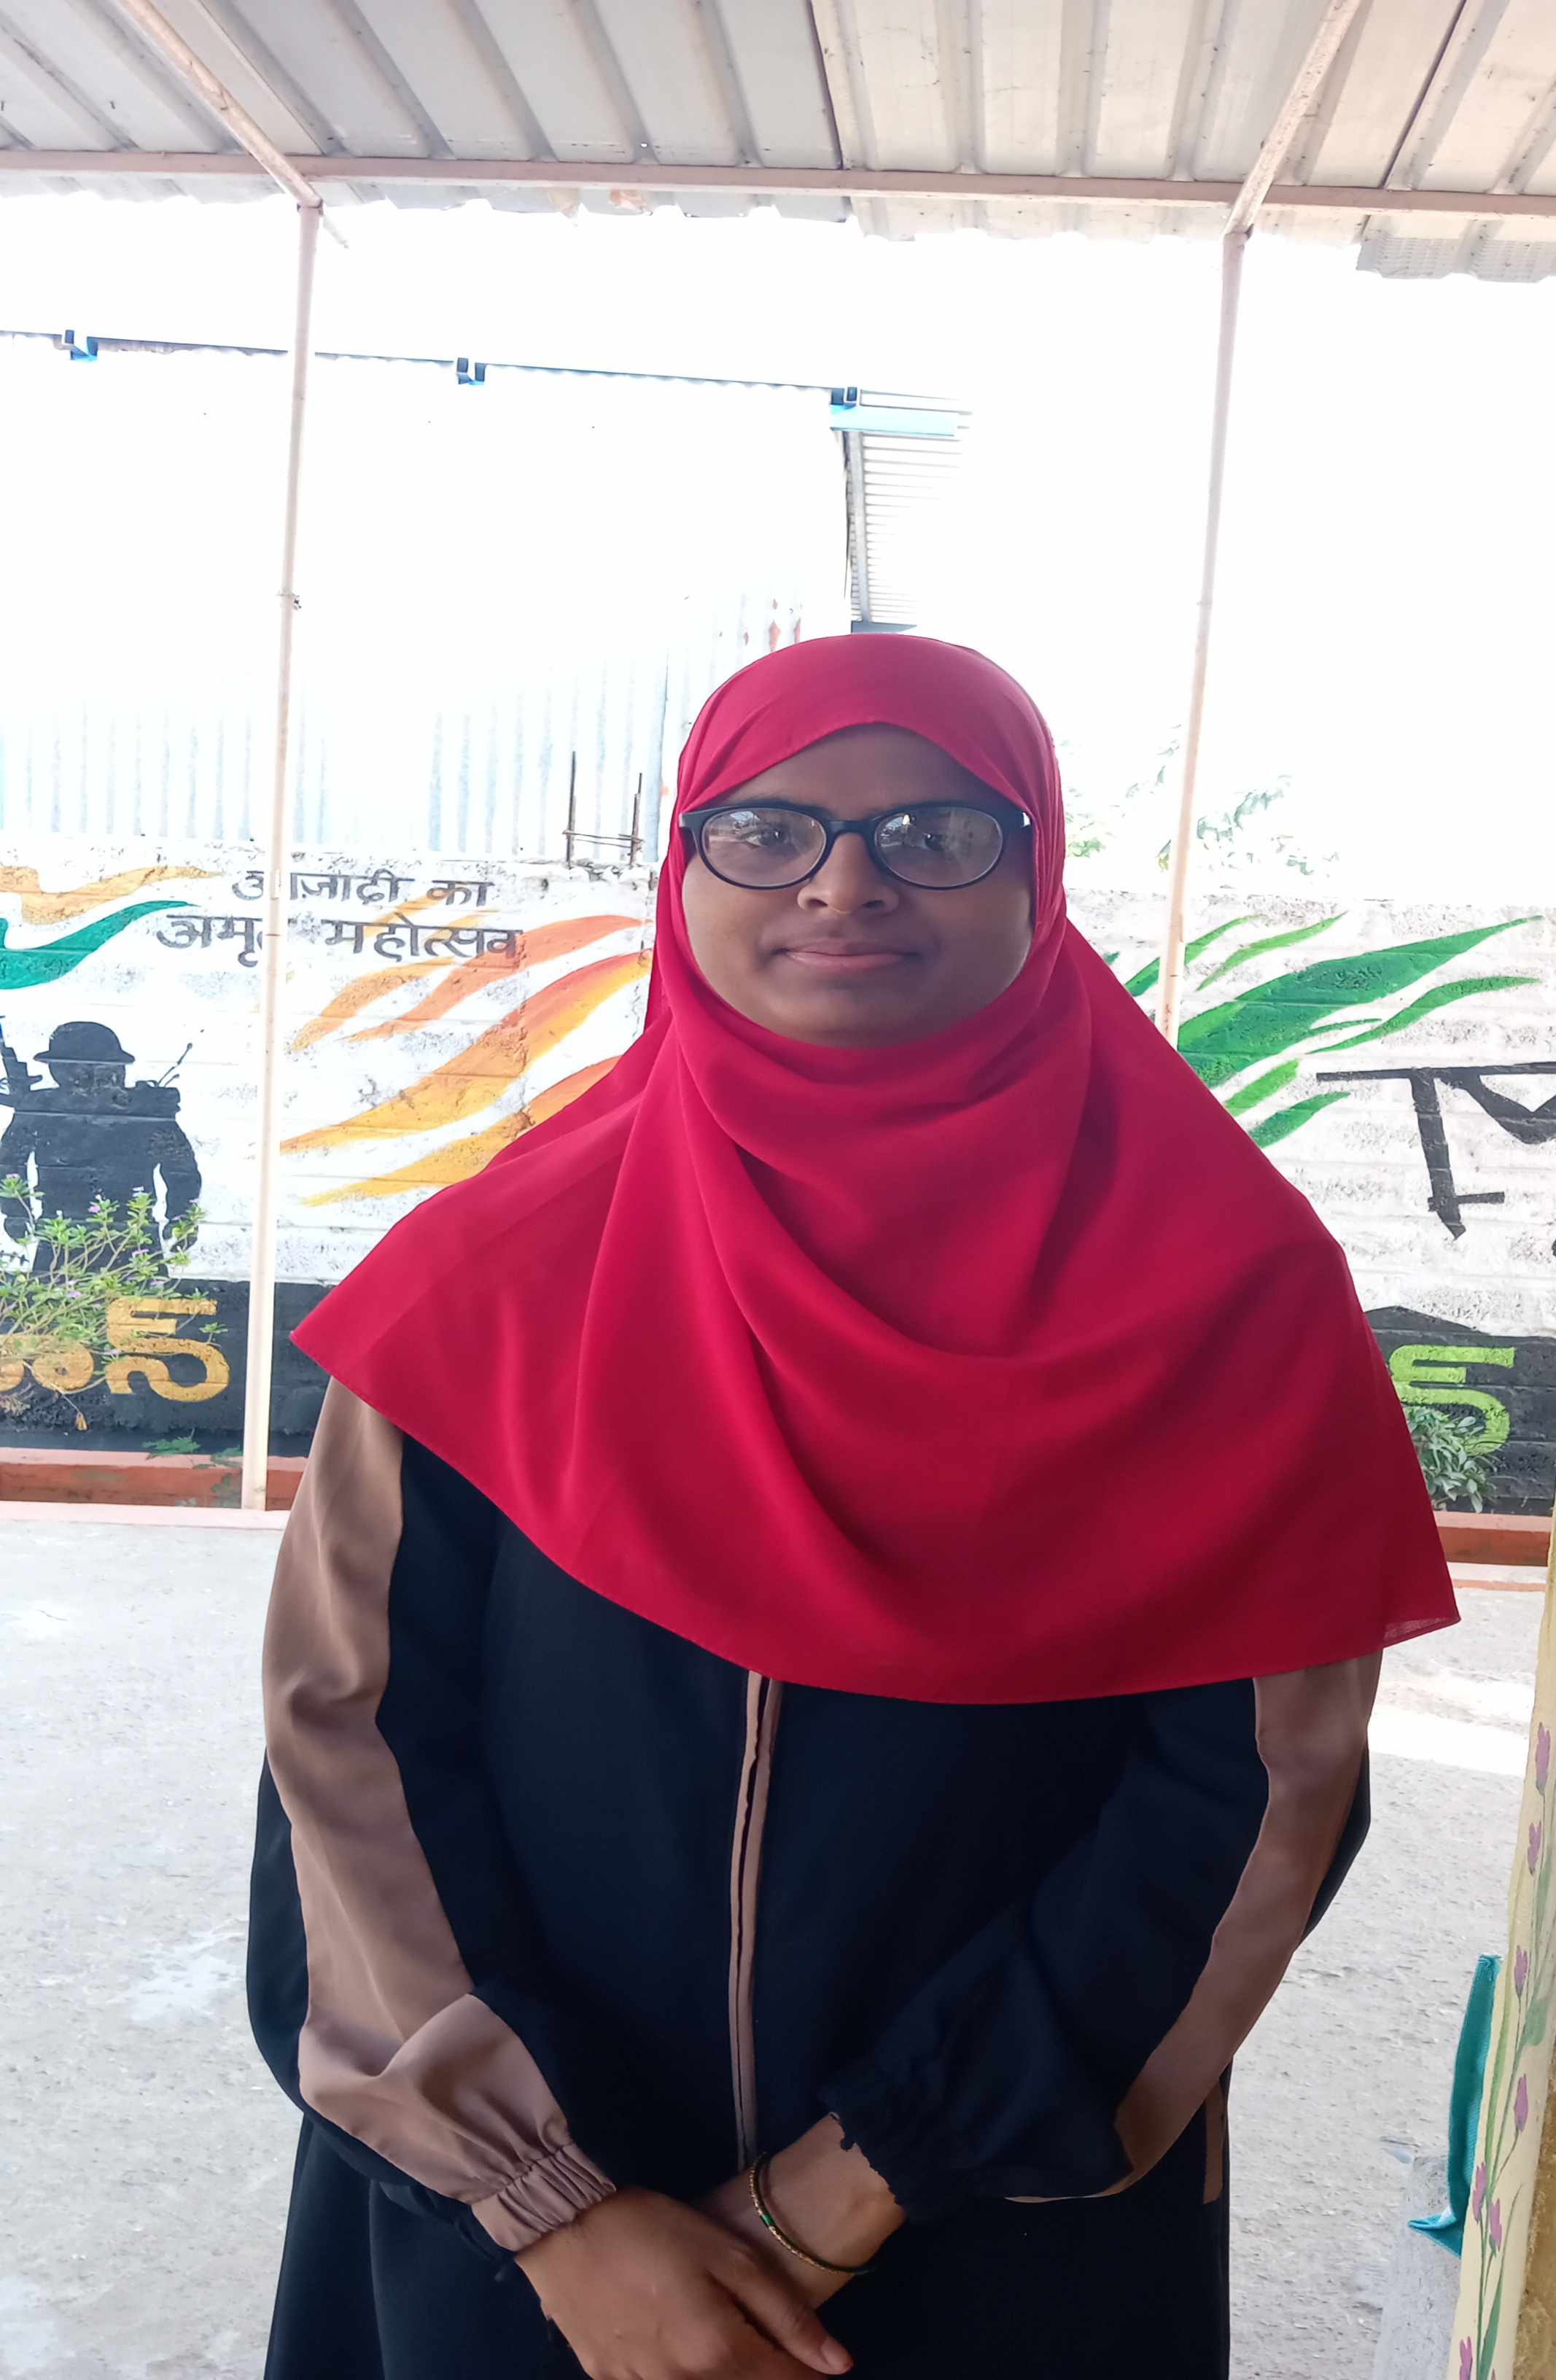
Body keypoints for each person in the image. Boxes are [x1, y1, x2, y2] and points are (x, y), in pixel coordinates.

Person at [247, 634, 1455, 2380]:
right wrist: (552, 2201)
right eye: (767, 830)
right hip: (530, 2239)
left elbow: (1253, 1796)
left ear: (1036, 869)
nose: (842, 884)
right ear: (684, 869)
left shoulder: (1229, 1293)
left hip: (992, 2215)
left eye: (934, 833)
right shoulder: (493, 1274)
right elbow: (346, 1738)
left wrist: (850, 2186)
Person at [0, 1019, 201, 1273]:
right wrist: (16, 1211)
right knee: (58, 1293)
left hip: (133, 1234)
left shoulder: (146, 1110)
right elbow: (8, 1164)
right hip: (62, 1232)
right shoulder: (40, 1109)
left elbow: (181, 1169)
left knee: (139, 1295)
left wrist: (182, 1217)